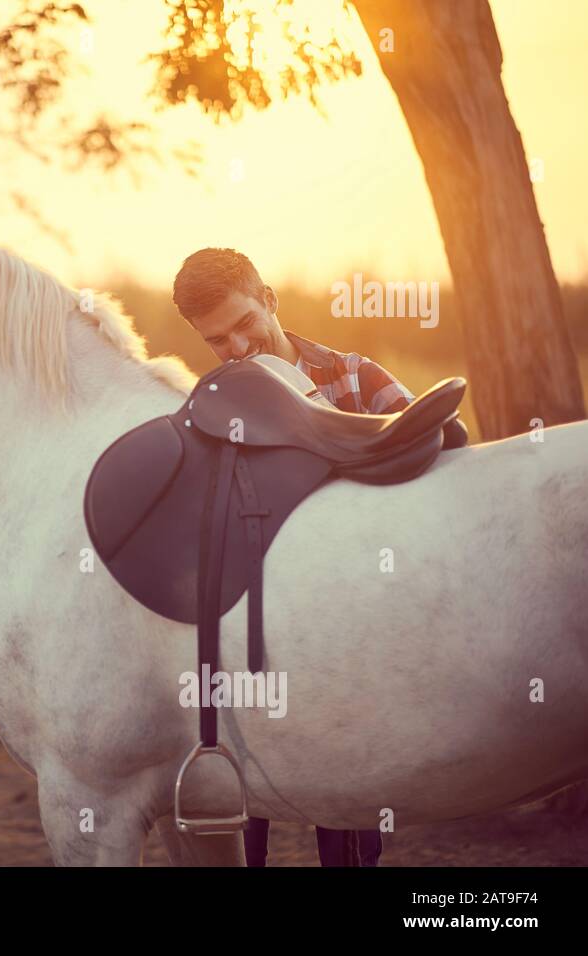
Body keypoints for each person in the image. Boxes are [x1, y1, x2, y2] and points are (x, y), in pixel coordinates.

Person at [171, 247, 408, 867]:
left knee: (348, 830)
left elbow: (428, 481)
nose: (239, 348)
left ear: (270, 297)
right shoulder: (204, 410)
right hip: (247, 655)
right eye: (217, 340)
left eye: (246, 322)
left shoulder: (358, 379)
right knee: (241, 826)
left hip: (346, 647)